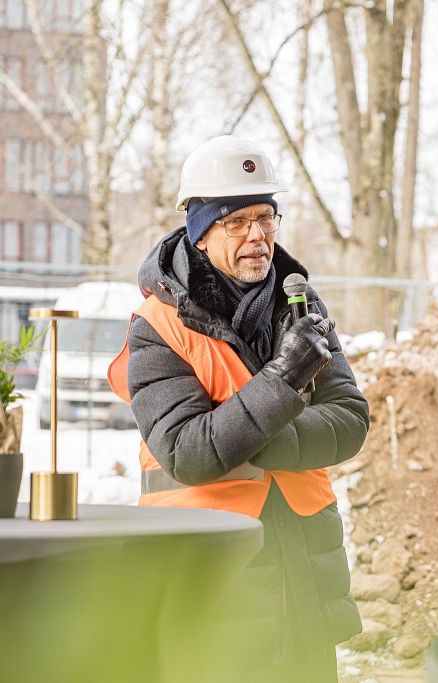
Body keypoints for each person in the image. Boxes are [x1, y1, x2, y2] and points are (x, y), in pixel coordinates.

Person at [108, 135, 369, 680]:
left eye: (266, 218)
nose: (258, 235)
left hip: (302, 574)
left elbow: (349, 420)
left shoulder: (300, 304)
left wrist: (249, 435)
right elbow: (187, 453)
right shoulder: (157, 327)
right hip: (208, 578)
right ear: (200, 233)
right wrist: (283, 379)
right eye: (236, 221)